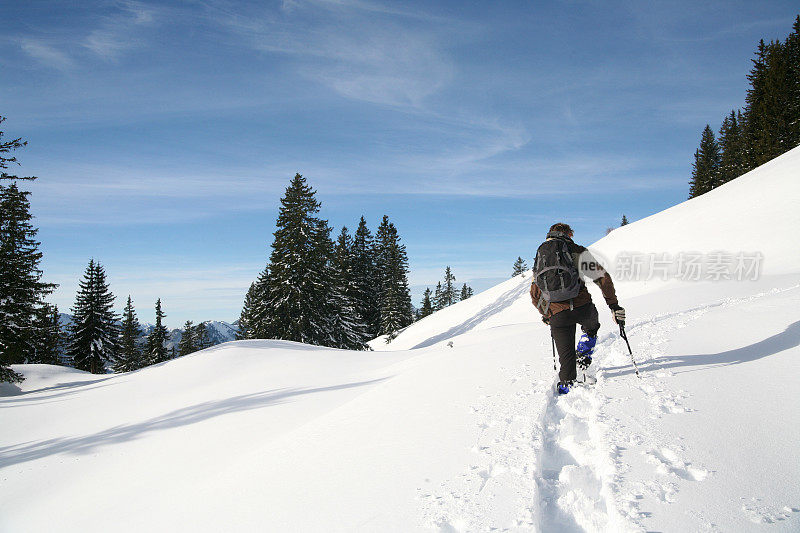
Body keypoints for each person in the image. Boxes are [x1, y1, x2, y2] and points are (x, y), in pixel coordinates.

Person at [530, 223, 625, 394]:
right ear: (568, 234)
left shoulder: (541, 255)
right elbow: (602, 278)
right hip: (583, 307)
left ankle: (566, 386)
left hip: (557, 313)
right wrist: (613, 305)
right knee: (592, 326)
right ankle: (583, 356)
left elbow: (535, 292)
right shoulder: (576, 250)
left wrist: (546, 314)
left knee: (566, 358)